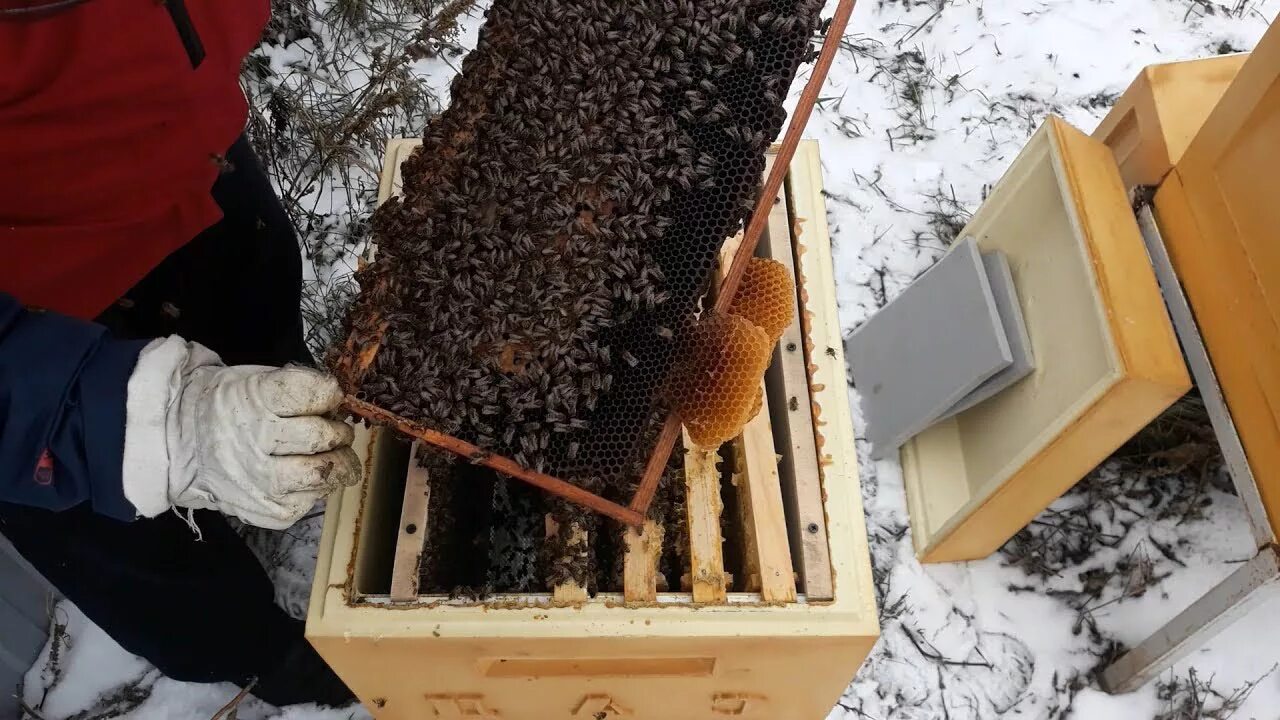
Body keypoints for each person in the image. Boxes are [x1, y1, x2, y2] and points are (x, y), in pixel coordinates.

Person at [1, 0, 362, 707]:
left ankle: (295, 502)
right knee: (143, 557)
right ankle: (275, 663)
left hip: (193, 158)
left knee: (271, 353)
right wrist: (131, 424)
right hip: (39, 332)